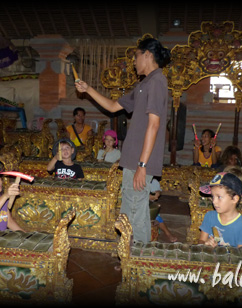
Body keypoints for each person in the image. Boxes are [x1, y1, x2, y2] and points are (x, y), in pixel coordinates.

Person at [75, 37, 171, 243]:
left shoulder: (157, 81)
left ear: (147, 55)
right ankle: (129, 257)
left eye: (136, 56)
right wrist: (88, 89)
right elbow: (112, 107)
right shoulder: (144, 84)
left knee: (136, 214)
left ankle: (138, 262)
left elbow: (154, 124)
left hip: (140, 162)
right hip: (133, 161)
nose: (134, 62)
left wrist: (142, 165)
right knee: (130, 210)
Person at [198, 172, 242, 248]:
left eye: (219, 197)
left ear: (234, 199)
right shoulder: (210, 216)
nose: (214, 201)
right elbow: (201, 241)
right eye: (213, 197)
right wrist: (205, 244)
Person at [149, 178, 178, 242]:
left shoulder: (154, 181)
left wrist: (157, 193)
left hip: (149, 204)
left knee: (157, 217)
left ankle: (168, 234)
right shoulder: (136, 179)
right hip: (137, 205)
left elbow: (157, 194)